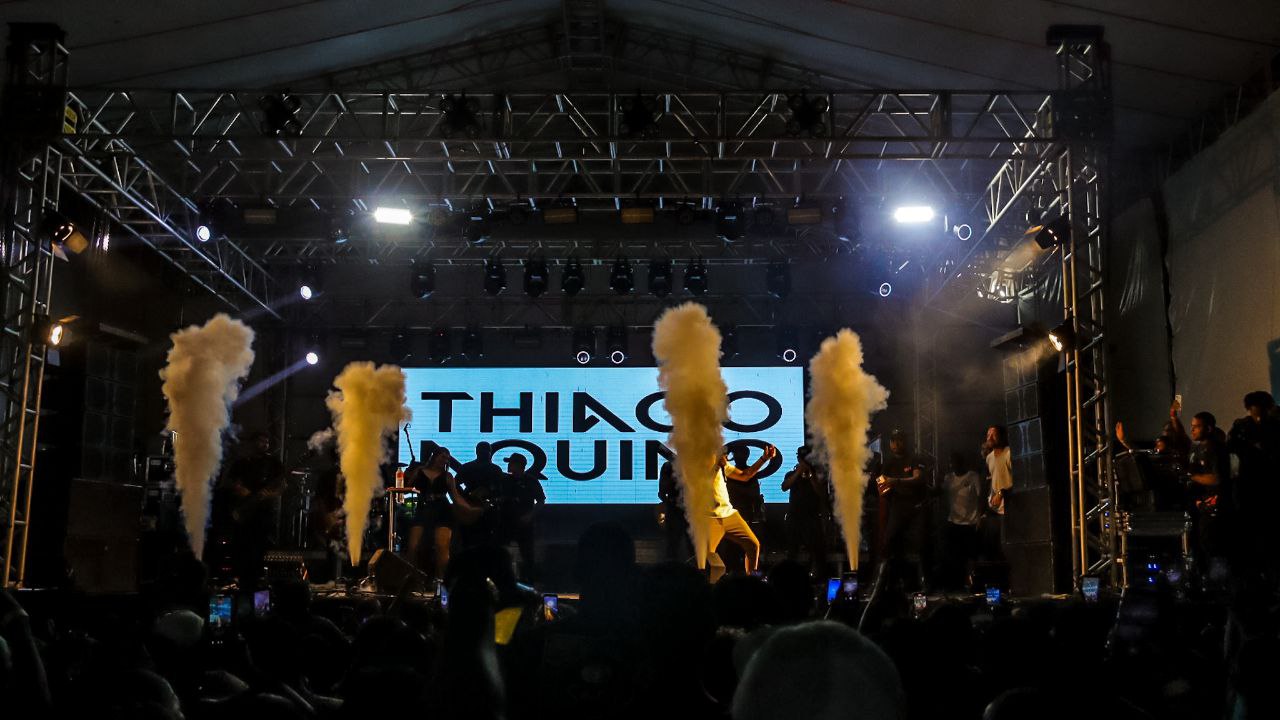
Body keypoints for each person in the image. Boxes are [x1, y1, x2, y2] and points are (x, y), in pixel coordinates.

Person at [1227, 391, 1280, 575]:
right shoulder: (1241, 427)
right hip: (1249, 483)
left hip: (1268, 483)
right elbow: (1231, 448)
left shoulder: (1273, 426)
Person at [225, 430, 286, 586]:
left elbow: (281, 486)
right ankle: (241, 581)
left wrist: (269, 495)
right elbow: (231, 482)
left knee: (261, 547)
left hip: (263, 512)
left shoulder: (273, 463)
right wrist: (241, 490)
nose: (264, 444)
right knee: (242, 545)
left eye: (266, 442)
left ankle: (259, 581)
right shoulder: (241, 463)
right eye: (260, 441)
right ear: (252, 443)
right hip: (245, 511)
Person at [406, 446, 475, 578]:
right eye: (442, 457)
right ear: (435, 456)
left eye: (447, 459)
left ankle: (442, 580)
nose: (444, 460)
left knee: (442, 547)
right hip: (423, 508)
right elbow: (406, 487)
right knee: (413, 546)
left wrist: (470, 509)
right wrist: (408, 472)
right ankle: (412, 579)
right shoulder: (419, 471)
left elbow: (455, 497)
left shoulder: (448, 476)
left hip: (442, 510)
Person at [875, 429, 928, 589]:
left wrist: (896, 481)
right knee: (891, 541)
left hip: (915, 507)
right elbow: (882, 486)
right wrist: (882, 487)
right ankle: (894, 582)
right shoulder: (887, 463)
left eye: (899, 440)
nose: (895, 444)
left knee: (921, 543)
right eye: (893, 440)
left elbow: (918, 478)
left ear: (905, 441)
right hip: (897, 507)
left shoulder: (914, 458)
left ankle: (925, 582)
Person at [711, 446, 774, 574]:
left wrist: (764, 458)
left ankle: (749, 579)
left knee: (752, 545)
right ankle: (714, 581)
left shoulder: (724, 467)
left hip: (731, 514)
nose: (727, 457)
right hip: (711, 517)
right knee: (711, 555)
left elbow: (745, 476)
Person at [1187, 411, 1229, 573]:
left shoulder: (1215, 449)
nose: (1193, 430)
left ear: (1209, 428)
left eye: (1197, 427)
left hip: (1214, 505)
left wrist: (1192, 476)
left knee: (1212, 545)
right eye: (1192, 426)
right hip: (1201, 504)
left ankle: (1217, 580)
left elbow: (1217, 478)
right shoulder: (1196, 447)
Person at [781, 446, 828, 576]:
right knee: (792, 549)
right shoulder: (790, 474)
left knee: (816, 549)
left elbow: (822, 493)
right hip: (794, 516)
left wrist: (810, 474)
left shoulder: (818, 474)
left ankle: (816, 576)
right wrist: (798, 472)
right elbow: (784, 487)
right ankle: (791, 575)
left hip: (812, 517)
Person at [498, 454, 546, 581]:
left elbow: (541, 501)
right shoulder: (504, 480)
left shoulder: (531, 481)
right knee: (500, 552)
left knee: (528, 556)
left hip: (524, 525)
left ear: (519, 465)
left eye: (511, 463)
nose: (509, 466)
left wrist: (529, 516)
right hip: (505, 523)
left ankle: (529, 582)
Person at [941, 451, 983, 590]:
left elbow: (980, 497)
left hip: (970, 522)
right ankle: (956, 583)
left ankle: (972, 582)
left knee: (971, 554)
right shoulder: (949, 478)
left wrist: (980, 517)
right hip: (954, 521)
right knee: (955, 554)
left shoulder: (973, 476)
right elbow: (939, 492)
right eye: (950, 462)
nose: (952, 465)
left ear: (961, 462)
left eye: (954, 461)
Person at [456, 442, 505, 546]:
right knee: (471, 538)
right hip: (471, 505)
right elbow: (455, 485)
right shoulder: (493, 469)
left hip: (486, 506)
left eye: (486, 451)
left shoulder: (494, 469)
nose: (484, 453)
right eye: (483, 451)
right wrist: (466, 497)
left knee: (482, 538)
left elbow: (500, 490)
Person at [657, 460, 691, 562]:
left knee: (673, 545)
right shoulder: (669, 466)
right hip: (687, 511)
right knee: (690, 545)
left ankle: (671, 565)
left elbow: (662, 492)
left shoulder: (668, 466)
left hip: (676, 509)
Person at [725, 445, 767, 526]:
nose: (738, 457)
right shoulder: (730, 472)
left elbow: (755, 494)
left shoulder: (730, 473)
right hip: (736, 511)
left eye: (740, 454)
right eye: (737, 454)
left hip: (743, 512)